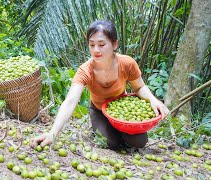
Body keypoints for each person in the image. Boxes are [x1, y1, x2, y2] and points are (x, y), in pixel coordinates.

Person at [30, 20, 169, 150]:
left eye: (101, 45)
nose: (96, 50)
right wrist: (52, 133)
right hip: (99, 110)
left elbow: (139, 87)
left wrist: (153, 99)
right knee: (111, 143)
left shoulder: (127, 63)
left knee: (139, 143)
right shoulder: (85, 70)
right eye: (92, 45)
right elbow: (71, 101)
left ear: (114, 44)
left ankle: (117, 131)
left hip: (120, 110)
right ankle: (101, 128)